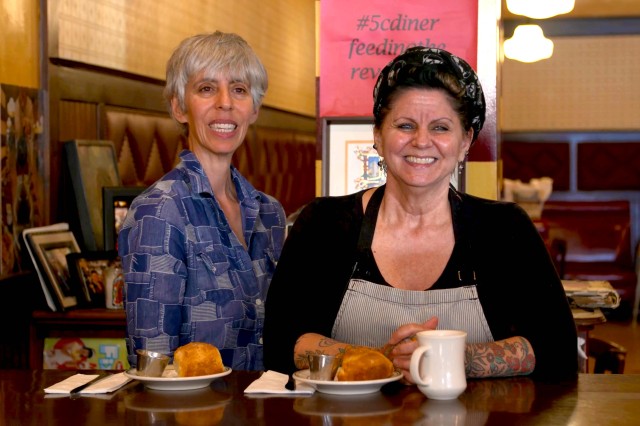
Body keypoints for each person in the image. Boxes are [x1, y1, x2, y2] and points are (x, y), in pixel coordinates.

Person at [263, 47, 577, 382]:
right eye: (405, 125)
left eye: (441, 128)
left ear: (465, 141)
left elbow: (555, 346)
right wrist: (379, 361)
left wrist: (455, 358)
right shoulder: (324, 223)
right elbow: (282, 342)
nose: (421, 141)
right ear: (378, 136)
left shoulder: (503, 228)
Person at [118, 31, 286, 371]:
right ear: (179, 107)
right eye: (206, 88)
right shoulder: (159, 212)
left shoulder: (270, 213)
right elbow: (153, 363)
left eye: (239, 90)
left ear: (254, 109)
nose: (225, 102)